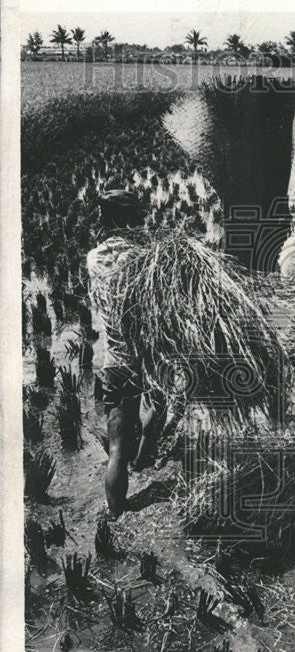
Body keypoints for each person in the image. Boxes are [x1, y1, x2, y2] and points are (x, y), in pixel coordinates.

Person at [87, 190, 166, 519]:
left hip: (115, 361)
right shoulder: (145, 255)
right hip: (148, 355)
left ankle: (116, 512)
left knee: (117, 446)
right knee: (161, 403)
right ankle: (147, 453)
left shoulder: (94, 257)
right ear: (132, 219)